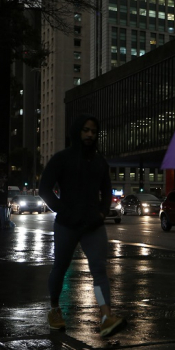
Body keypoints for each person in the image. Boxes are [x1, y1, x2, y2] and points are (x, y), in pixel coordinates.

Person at [39, 114, 124, 337]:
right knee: (60, 267)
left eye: (93, 132)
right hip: (67, 224)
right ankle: (55, 309)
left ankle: (106, 316)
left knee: (99, 270)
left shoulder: (99, 161)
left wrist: (103, 212)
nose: (89, 135)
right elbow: (44, 189)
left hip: (93, 225)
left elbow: (107, 190)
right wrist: (63, 210)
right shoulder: (62, 158)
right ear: (78, 132)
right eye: (86, 130)